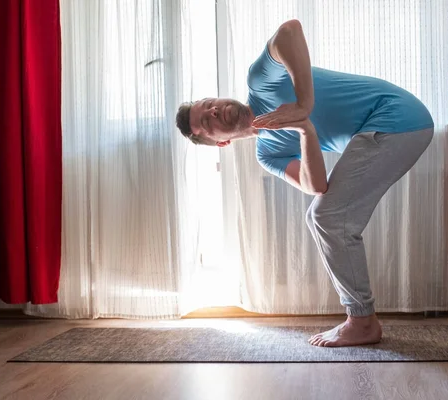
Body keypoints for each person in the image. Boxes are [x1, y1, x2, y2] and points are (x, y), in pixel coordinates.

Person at [175, 20, 434, 347]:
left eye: (209, 103)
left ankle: (361, 321)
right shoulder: (268, 153)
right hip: (386, 131)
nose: (215, 111)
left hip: (396, 116)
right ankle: (361, 319)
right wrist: (305, 130)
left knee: (327, 218)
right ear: (220, 143)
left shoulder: (261, 80)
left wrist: (304, 105)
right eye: (206, 121)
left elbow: (290, 30)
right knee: (321, 215)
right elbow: (316, 186)